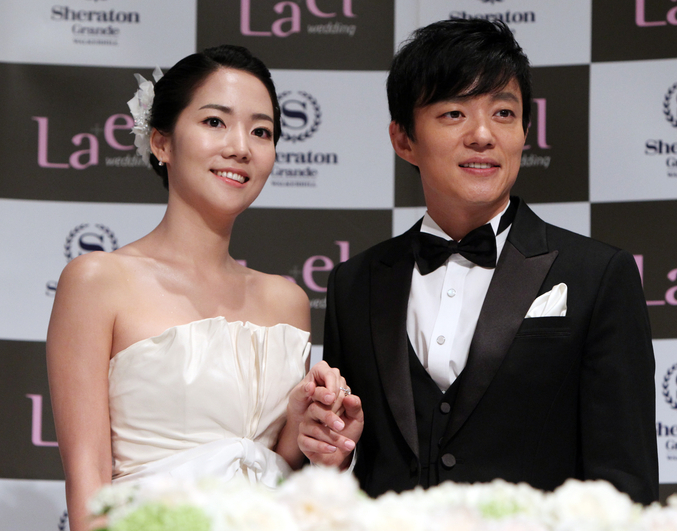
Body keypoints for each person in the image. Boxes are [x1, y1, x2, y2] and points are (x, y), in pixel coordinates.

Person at [316, 19, 659, 504]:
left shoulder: (598, 275)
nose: (482, 135)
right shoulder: (355, 284)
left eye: (503, 113)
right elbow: (341, 465)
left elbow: (626, 486)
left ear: (525, 131)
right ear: (403, 139)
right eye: (454, 113)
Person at [47, 45, 359, 531]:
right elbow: (89, 485)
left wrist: (315, 435)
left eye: (261, 131)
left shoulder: (287, 301)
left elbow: (278, 472)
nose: (241, 147)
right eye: (215, 122)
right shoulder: (98, 281)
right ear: (161, 143)